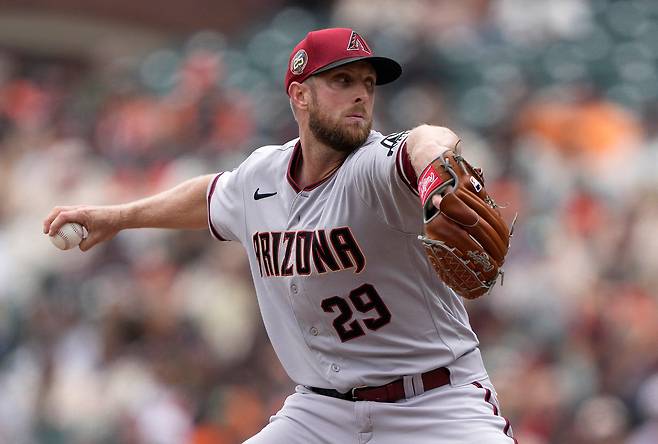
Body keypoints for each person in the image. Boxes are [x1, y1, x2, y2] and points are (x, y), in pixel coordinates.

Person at [43, 28, 516, 443]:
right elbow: (208, 196)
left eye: (368, 85)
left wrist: (437, 174)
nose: (360, 96)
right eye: (342, 81)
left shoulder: (373, 169)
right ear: (300, 95)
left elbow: (427, 139)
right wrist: (118, 217)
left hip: (434, 404)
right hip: (322, 412)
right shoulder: (262, 176)